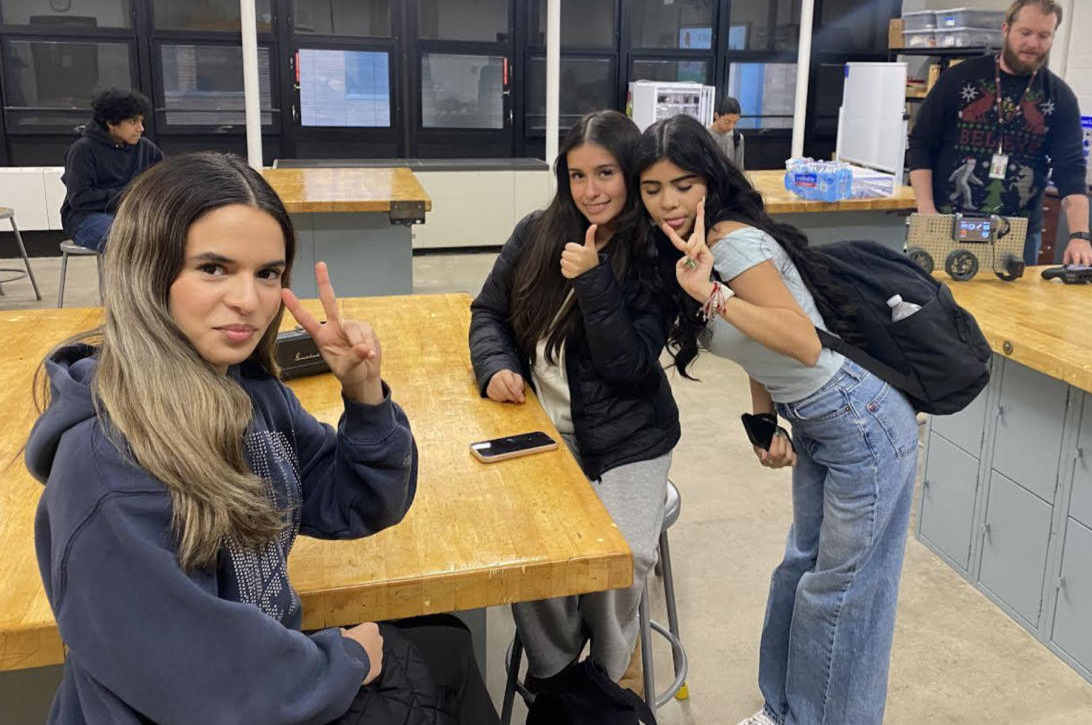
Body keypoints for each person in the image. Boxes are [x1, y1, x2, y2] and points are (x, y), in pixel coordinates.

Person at [27, 152, 498, 725]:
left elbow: (357, 502)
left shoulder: (247, 392)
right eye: (214, 269)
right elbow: (204, 681)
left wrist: (365, 397)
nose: (249, 301)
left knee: (446, 644)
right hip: (217, 702)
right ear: (147, 273)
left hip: (258, 676)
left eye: (268, 273)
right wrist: (347, 660)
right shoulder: (108, 467)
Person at [634, 116, 918, 725]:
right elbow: (755, 347)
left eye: (681, 184)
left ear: (709, 180)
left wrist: (712, 294)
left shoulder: (731, 246)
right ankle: (783, 710)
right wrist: (764, 421)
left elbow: (802, 342)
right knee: (802, 571)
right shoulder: (697, 246)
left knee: (841, 590)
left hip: (860, 419)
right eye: (652, 188)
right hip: (819, 418)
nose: (668, 201)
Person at [469, 111, 679, 696]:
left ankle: (610, 676)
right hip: (540, 429)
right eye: (577, 174)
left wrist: (594, 279)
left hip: (629, 437)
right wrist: (498, 366)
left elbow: (628, 364)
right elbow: (488, 312)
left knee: (622, 557)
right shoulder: (536, 231)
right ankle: (557, 677)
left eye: (606, 173)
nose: (591, 191)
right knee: (536, 557)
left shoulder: (654, 254)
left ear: (630, 172)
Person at [908, 0, 1092, 267]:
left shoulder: (1059, 96)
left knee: (1013, 309)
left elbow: (1070, 168)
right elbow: (921, 144)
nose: (1033, 43)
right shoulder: (959, 79)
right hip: (946, 221)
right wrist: (926, 210)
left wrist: (1080, 236)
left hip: (1017, 233)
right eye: (1025, 32)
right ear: (1006, 29)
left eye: (1044, 36)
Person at [60, 88, 163, 252]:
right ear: (111, 123)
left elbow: (166, 181)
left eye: (141, 121)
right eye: (132, 122)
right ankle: (127, 278)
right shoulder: (82, 150)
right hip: (86, 218)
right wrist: (133, 194)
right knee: (128, 239)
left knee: (175, 234)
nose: (140, 128)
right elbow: (80, 198)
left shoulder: (146, 148)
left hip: (133, 215)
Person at [710, 96, 744, 169]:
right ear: (716, 116)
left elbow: (739, 170)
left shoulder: (737, 138)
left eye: (735, 123)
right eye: (727, 122)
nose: (731, 127)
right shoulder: (703, 136)